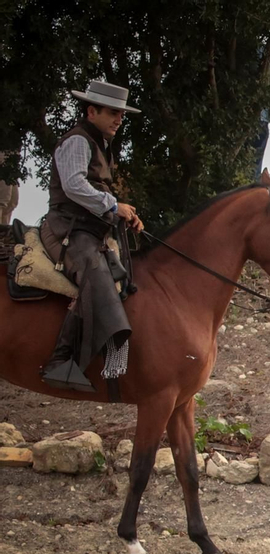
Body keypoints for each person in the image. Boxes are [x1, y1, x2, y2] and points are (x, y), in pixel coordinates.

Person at [40, 80, 145, 392]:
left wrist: (123, 215)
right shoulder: (78, 141)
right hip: (66, 229)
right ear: (91, 110)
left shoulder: (100, 143)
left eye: (122, 115)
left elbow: (95, 192)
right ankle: (61, 361)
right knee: (95, 274)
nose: (119, 119)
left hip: (88, 229)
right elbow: (73, 186)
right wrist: (113, 205)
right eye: (113, 112)